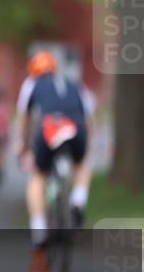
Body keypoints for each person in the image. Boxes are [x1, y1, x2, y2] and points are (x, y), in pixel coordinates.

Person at [16, 50, 95, 247]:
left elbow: (25, 118)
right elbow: (89, 118)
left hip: (49, 128)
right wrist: (87, 145)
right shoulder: (74, 83)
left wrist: (24, 145)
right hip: (76, 127)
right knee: (81, 165)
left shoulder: (31, 83)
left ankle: (39, 228)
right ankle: (78, 199)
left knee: (39, 175)